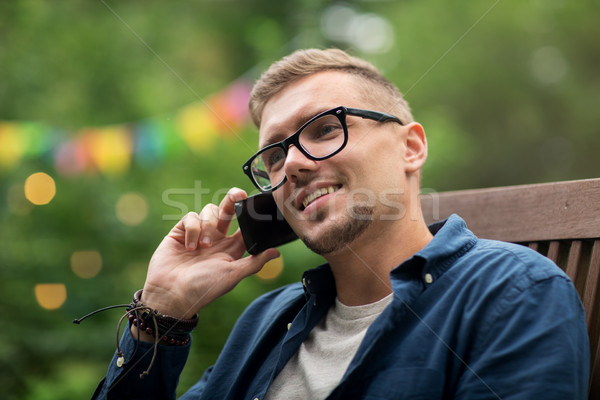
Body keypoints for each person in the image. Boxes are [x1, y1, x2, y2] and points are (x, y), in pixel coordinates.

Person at [92, 48, 590, 399]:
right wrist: (161, 313)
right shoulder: (267, 321)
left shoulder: (513, 293)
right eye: (274, 155)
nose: (293, 166)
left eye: (326, 129)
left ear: (410, 147)